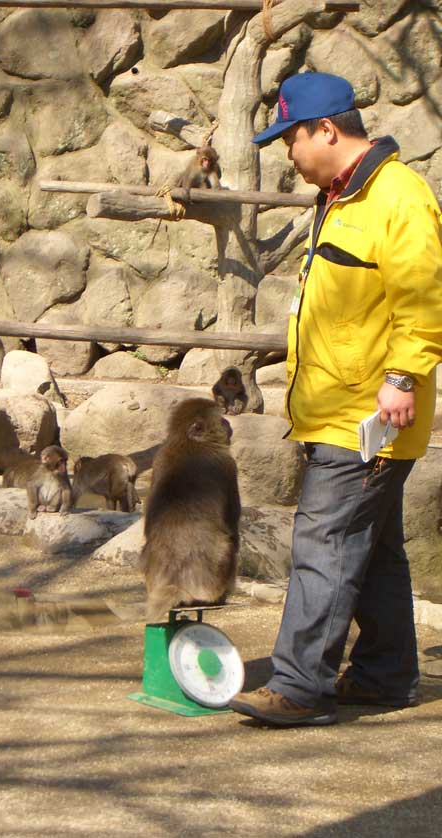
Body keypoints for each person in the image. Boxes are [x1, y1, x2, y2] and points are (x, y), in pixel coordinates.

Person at [230, 71, 442, 727]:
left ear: (327, 129)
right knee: (371, 548)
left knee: (322, 542)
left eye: (291, 137)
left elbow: (424, 300)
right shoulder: (339, 196)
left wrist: (401, 378)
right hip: (336, 410)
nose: (287, 152)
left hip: (368, 416)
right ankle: (384, 675)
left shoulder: (397, 199)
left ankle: (299, 685)